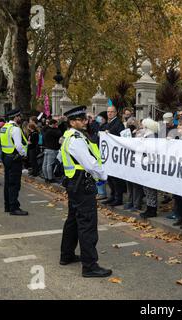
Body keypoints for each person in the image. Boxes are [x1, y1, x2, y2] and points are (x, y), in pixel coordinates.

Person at [59, 105, 112, 278]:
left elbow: (62, 158)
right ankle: (90, 266)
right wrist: (103, 175)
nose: (85, 121)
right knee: (87, 224)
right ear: (73, 122)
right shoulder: (76, 139)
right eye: (82, 119)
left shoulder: (68, 136)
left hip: (74, 183)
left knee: (73, 220)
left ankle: (66, 255)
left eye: (85, 119)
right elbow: (90, 163)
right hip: (82, 184)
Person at [0, 109, 28, 216]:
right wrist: (23, 154)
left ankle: (7, 205)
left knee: (8, 182)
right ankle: (14, 207)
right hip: (14, 158)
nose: (20, 118)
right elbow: (18, 145)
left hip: (6, 156)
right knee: (14, 184)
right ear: (16, 117)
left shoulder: (4, 127)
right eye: (19, 116)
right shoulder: (15, 129)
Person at [102, 105, 125, 206]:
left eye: (111, 112)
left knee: (116, 178)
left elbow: (122, 137)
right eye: (108, 112)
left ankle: (118, 198)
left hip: (115, 155)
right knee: (110, 177)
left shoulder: (118, 123)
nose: (109, 113)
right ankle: (112, 196)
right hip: (108, 154)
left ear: (115, 113)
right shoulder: (108, 123)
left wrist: (110, 133)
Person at [139, 118, 160, 219]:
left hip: (150, 165)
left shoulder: (151, 137)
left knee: (150, 188)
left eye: (143, 126)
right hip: (145, 164)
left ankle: (152, 209)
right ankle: (149, 207)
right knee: (146, 188)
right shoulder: (146, 136)